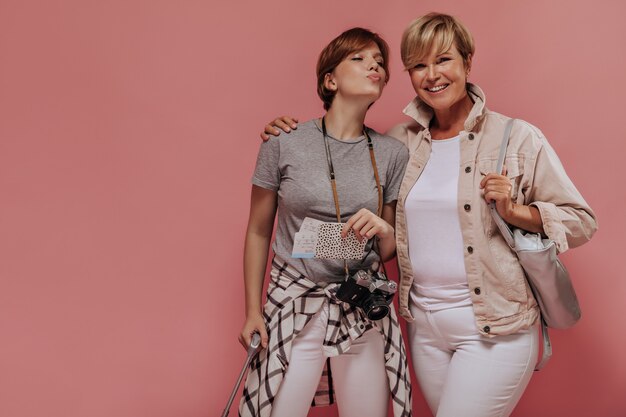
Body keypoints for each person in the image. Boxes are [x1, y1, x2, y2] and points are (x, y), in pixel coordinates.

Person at [259, 12, 598, 417]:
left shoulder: (517, 137)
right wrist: (292, 136)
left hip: (495, 326)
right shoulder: (399, 143)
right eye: (418, 65)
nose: (431, 74)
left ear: (467, 62)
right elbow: (367, 234)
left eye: (443, 60)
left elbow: (581, 221)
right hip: (425, 330)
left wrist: (515, 211)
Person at [238, 27, 411, 417]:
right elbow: (258, 230)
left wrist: (386, 231)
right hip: (295, 299)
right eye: (359, 58)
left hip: (362, 305)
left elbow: (384, 250)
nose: (375, 67)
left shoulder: (392, 154)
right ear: (330, 80)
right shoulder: (284, 140)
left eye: (380, 63)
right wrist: (253, 311)